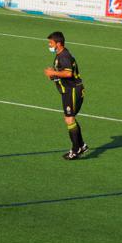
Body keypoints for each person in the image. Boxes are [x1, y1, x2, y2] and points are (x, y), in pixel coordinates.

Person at [45, 31, 88, 160]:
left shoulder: (64, 56)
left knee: (69, 119)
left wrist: (53, 73)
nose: (49, 45)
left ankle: (75, 150)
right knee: (69, 118)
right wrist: (54, 75)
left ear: (58, 43)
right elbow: (63, 73)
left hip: (73, 90)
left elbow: (68, 74)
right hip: (68, 90)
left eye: (51, 43)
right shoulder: (61, 54)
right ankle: (81, 145)